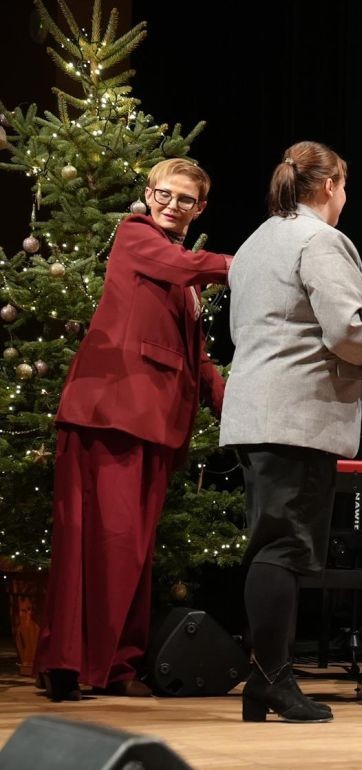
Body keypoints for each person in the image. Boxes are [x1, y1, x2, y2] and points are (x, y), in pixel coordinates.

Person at [35, 158, 231, 701]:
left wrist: (231, 405)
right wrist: (252, 265)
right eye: (163, 194)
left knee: (133, 551)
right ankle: (66, 664)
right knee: (101, 542)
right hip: (111, 412)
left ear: (200, 208)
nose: (171, 205)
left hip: (155, 423)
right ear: (148, 194)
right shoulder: (135, 234)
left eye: (185, 199)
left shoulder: (182, 277)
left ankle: (116, 665)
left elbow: (197, 357)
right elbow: (185, 266)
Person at [220, 141, 362, 723]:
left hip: (256, 410)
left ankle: (265, 680)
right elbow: (347, 330)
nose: (345, 199)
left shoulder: (255, 241)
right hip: (294, 415)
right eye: (344, 187)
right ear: (328, 186)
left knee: (271, 544)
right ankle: (271, 679)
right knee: (284, 547)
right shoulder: (320, 240)